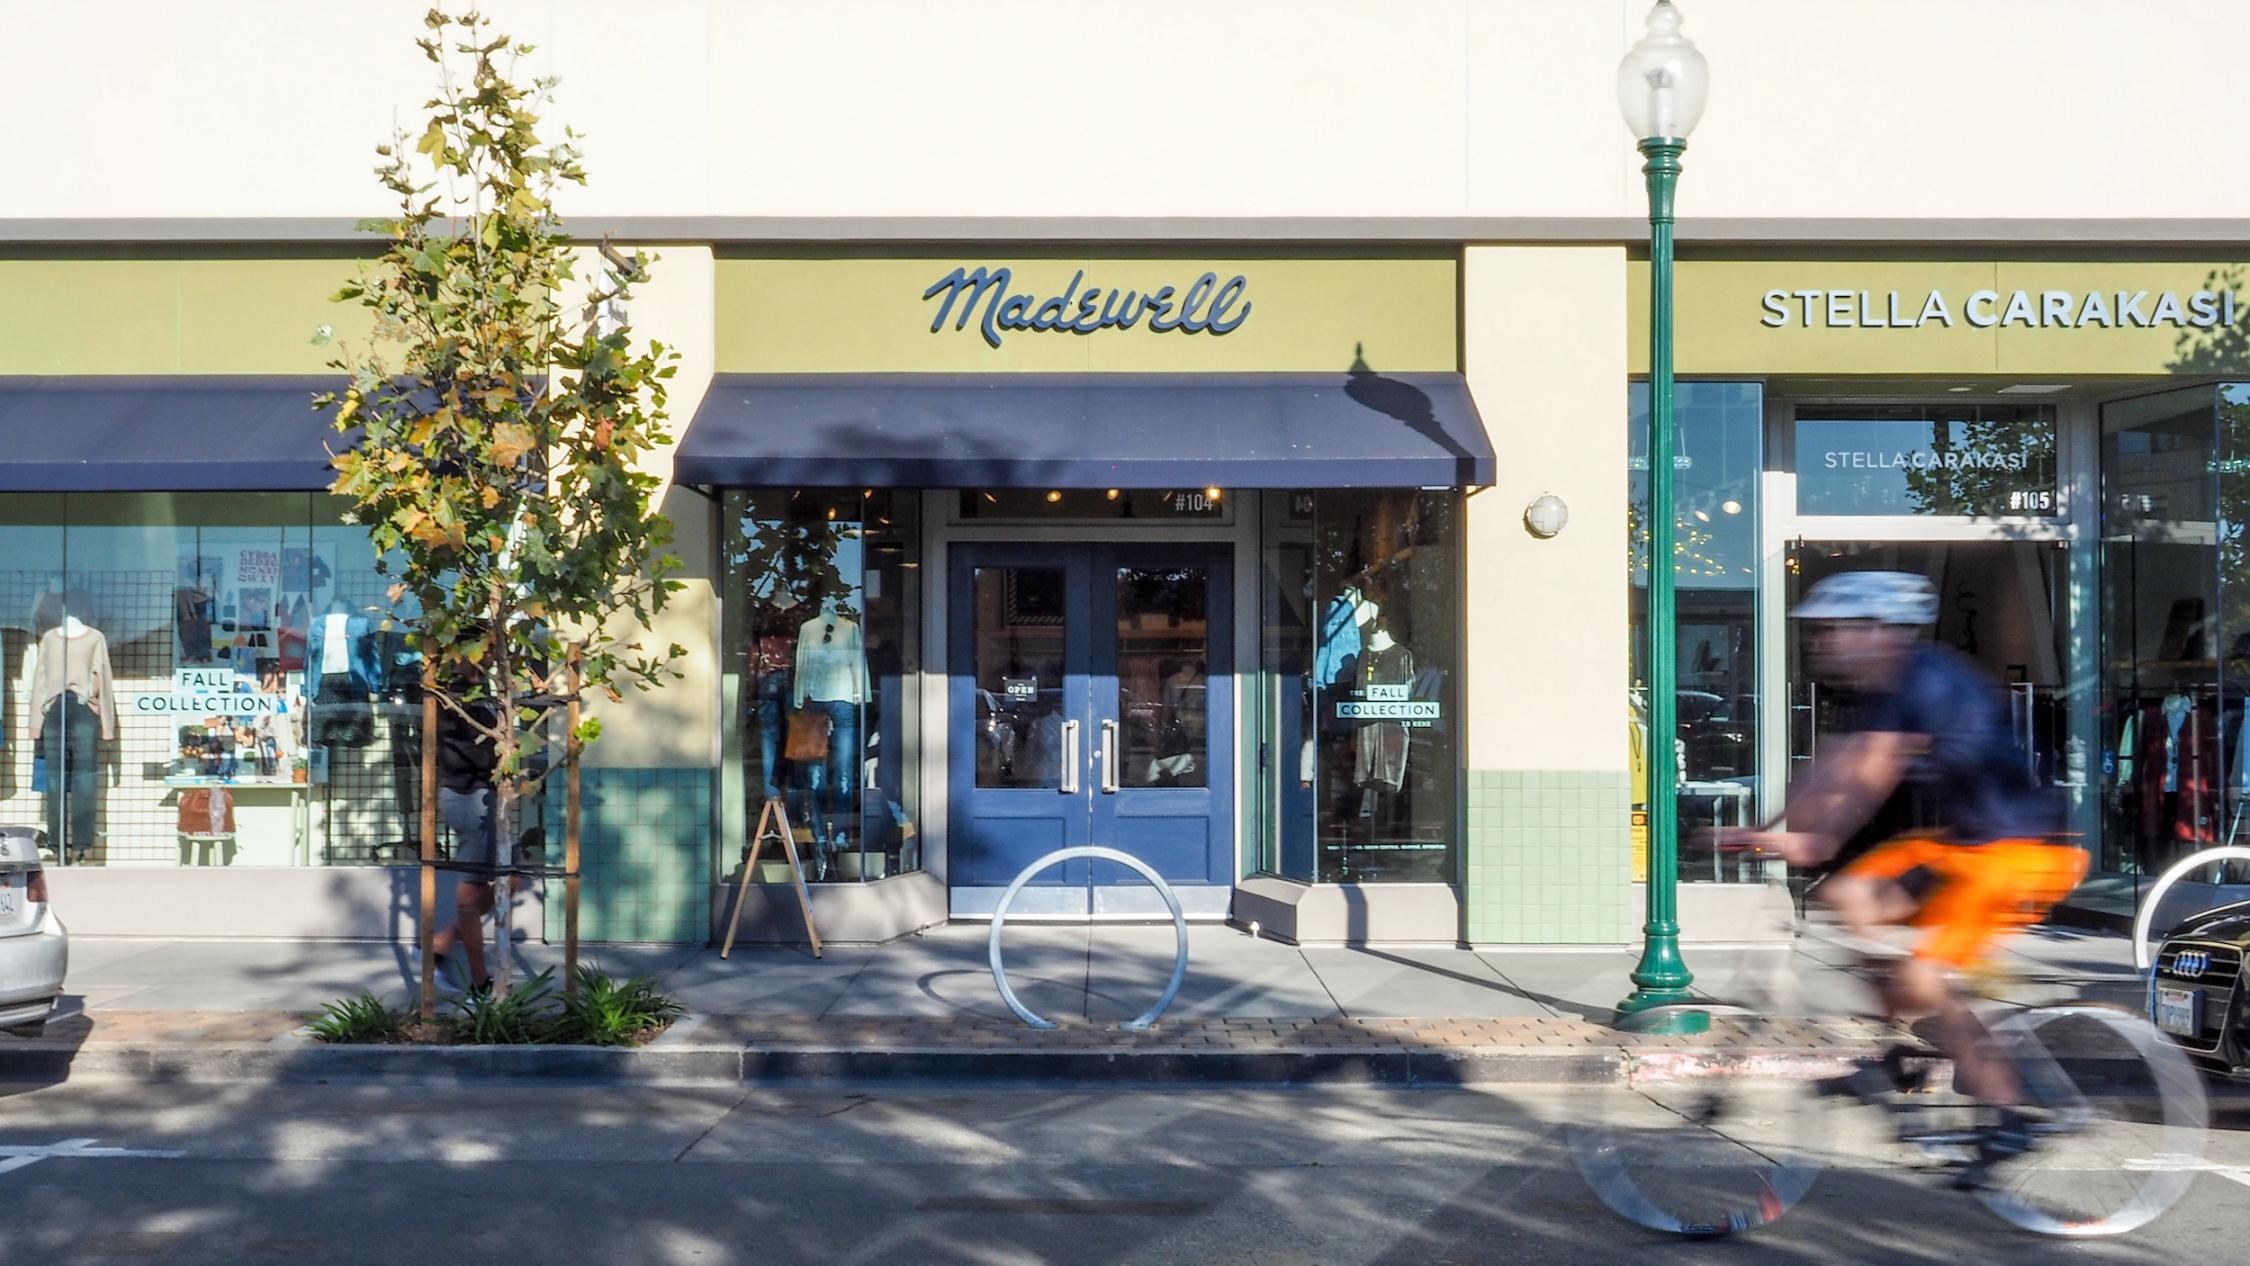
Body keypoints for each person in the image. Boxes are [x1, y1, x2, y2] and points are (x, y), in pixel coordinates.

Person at [1720, 570, 2086, 1184]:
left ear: (1879, 631)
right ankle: (1898, 1047)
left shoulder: (1927, 680)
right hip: (1964, 847)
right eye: (1820, 630)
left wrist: (1818, 838)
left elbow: (1870, 774)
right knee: (1847, 895)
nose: (1821, 641)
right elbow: (1830, 768)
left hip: (2021, 852)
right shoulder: (1881, 687)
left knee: (1922, 980)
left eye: (1833, 629)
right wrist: (1770, 827)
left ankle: (2008, 1117)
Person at [428, 681, 508, 993]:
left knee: (511, 878)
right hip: (469, 797)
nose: (487, 651)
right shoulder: (455, 698)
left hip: (482, 800)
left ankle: (439, 946)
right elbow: (460, 755)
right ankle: (480, 985)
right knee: (469, 898)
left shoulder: (483, 691)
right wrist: (500, 754)